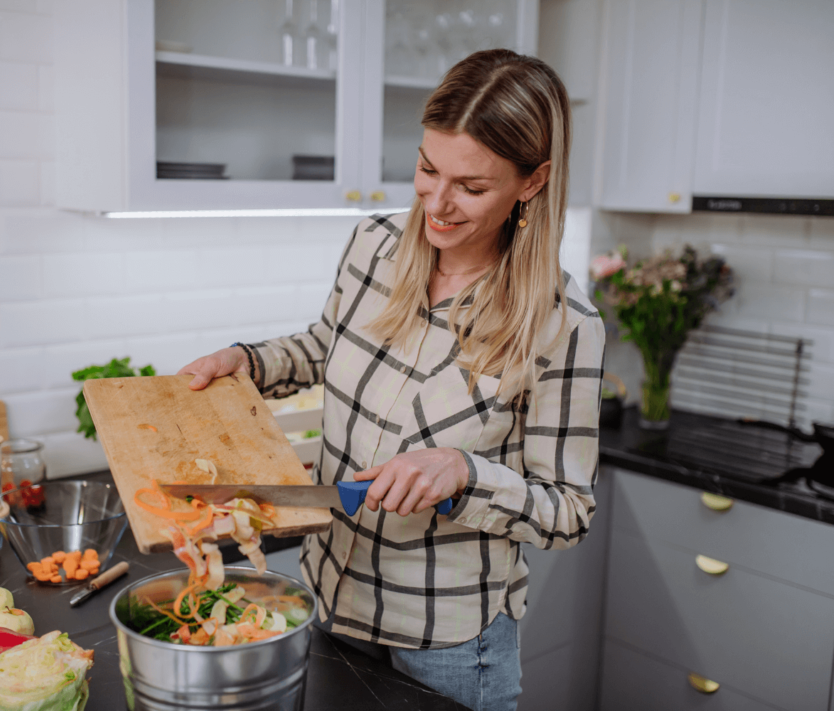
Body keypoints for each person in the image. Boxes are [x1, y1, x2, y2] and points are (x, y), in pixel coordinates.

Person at [178, 48, 605, 711]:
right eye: (427, 168)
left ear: (532, 181)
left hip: (449, 642)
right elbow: (327, 344)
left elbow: (569, 510)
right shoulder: (373, 246)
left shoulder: (564, 323)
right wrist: (250, 362)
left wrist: (465, 472)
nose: (436, 202)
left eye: (471, 185)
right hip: (331, 596)